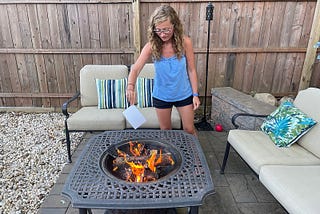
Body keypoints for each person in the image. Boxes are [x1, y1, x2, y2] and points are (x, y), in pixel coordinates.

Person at [126, 5, 200, 136]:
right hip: (162, 96)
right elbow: (135, 69)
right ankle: (169, 156)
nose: (162, 34)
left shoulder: (185, 43)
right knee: (166, 131)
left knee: (189, 129)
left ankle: (194, 155)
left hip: (184, 94)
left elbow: (192, 70)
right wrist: (130, 87)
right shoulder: (151, 46)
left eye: (166, 29)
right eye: (158, 30)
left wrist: (195, 95)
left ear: (175, 26)